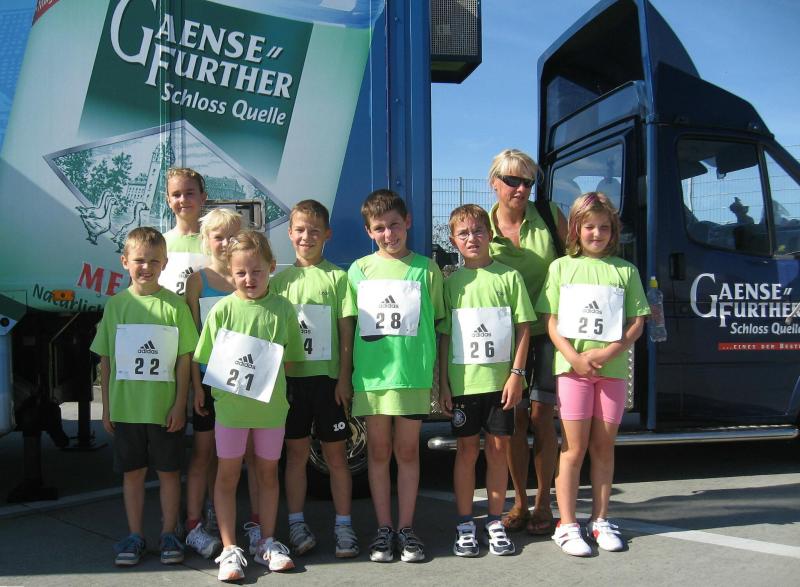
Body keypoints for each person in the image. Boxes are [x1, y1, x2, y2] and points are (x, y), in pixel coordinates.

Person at [535, 192, 649, 556]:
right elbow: (551, 321)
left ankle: (600, 520)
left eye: (604, 227)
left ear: (613, 230)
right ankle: (567, 524)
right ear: (576, 229)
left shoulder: (625, 271)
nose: (596, 234)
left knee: (603, 447)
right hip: (573, 373)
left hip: (611, 372)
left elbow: (637, 323)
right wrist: (573, 357)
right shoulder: (561, 268)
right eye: (589, 227)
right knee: (574, 447)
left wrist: (609, 352)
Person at [194, 230, 304, 581]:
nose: (249, 278)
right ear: (230, 272)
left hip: (270, 411)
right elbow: (207, 359)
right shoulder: (222, 310)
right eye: (241, 272)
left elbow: (291, 359)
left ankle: (266, 542)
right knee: (227, 476)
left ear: (271, 267)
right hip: (231, 411)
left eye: (256, 271)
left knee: (267, 474)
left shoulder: (283, 309)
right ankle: (229, 549)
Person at [90, 227, 198, 566]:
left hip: (164, 410)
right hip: (127, 409)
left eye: (154, 261)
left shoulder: (175, 306)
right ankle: (135, 535)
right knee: (133, 473)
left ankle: (168, 534)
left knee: (169, 473)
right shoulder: (116, 306)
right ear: (125, 262)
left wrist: (180, 404)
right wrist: (107, 407)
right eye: (139, 260)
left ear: (165, 263)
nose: (146, 267)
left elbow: (184, 360)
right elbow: (106, 360)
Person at [347, 189, 445, 563]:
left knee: (407, 452)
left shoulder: (426, 269)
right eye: (379, 228)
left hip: (412, 377)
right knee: (377, 452)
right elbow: (349, 327)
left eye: (394, 225)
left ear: (408, 223)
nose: (388, 234)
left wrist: (439, 378)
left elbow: (438, 324)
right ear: (368, 231)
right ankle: (384, 528)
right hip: (373, 379)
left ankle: (406, 528)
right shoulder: (358, 270)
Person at [437, 204, 534, 557]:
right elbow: (445, 336)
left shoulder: (509, 278)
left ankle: (494, 521)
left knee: (497, 451)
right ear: (453, 240)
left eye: (478, 231)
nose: (472, 238)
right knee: (465, 452)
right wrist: (442, 383)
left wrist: (517, 375)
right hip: (464, 385)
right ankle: (465, 522)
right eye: (463, 233)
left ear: (490, 235)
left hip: (500, 385)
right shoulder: (451, 284)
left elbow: (524, 328)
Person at [270, 200, 360, 558]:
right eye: (300, 230)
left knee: (336, 457)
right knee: (296, 456)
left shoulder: (338, 278)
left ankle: (344, 525)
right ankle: (296, 523)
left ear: (327, 235)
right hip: (292, 384)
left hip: (327, 383)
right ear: (290, 233)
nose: (306, 236)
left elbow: (346, 333)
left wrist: (344, 378)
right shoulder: (279, 281)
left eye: (314, 230)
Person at [488, 149, 566, 536]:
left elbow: (578, 260)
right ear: (494, 183)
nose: (520, 189)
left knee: (541, 417)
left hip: (550, 331)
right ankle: (519, 501)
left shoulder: (549, 215)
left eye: (528, 182)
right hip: (506, 336)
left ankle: (543, 502)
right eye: (512, 181)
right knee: (515, 419)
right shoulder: (482, 226)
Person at [183, 208, 243, 559]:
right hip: (208, 380)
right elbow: (193, 340)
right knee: (203, 452)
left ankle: (227, 517)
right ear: (206, 241)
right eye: (218, 236)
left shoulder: (245, 277)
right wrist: (196, 386)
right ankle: (195, 522)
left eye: (233, 236)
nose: (225, 243)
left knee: (233, 455)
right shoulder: (197, 281)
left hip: (242, 382)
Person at [160, 167, 209, 296]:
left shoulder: (217, 241)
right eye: (176, 195)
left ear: (203, 197)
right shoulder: (160, 243)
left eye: (190, 193)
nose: (183, 199)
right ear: (168, 201)